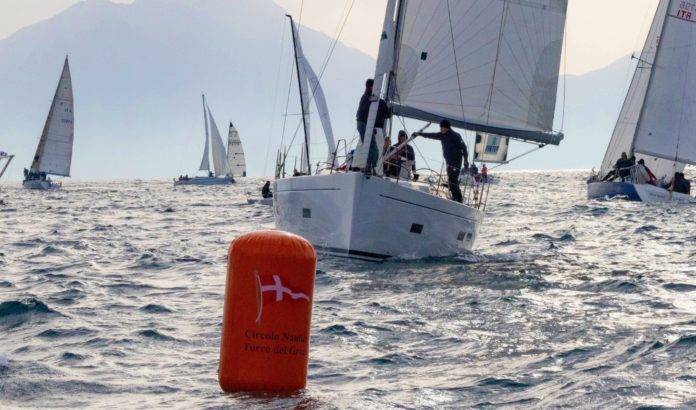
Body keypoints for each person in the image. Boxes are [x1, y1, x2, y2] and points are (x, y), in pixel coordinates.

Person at [414, 119, 468, 203]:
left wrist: (466, 160)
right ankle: (455, 197)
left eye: (442, 128)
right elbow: (431, 135)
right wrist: (419, 134)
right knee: (451, 180)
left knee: (453, 180)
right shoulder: (442, 135)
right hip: (449, 162)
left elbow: (464, 148)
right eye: (440, 128)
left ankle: (458, 199)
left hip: (456, 161)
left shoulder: (456, 136)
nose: (441, 129)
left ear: (447, 128)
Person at [355, 79, 390, 171]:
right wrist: (388, 109)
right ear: (372, 87)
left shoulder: (365, 97)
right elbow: (387, 114)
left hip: (363, 124)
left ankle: (364, 166)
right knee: (373, 147)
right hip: (366, 125)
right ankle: (370, 167)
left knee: (369, 146)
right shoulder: (373, 99)